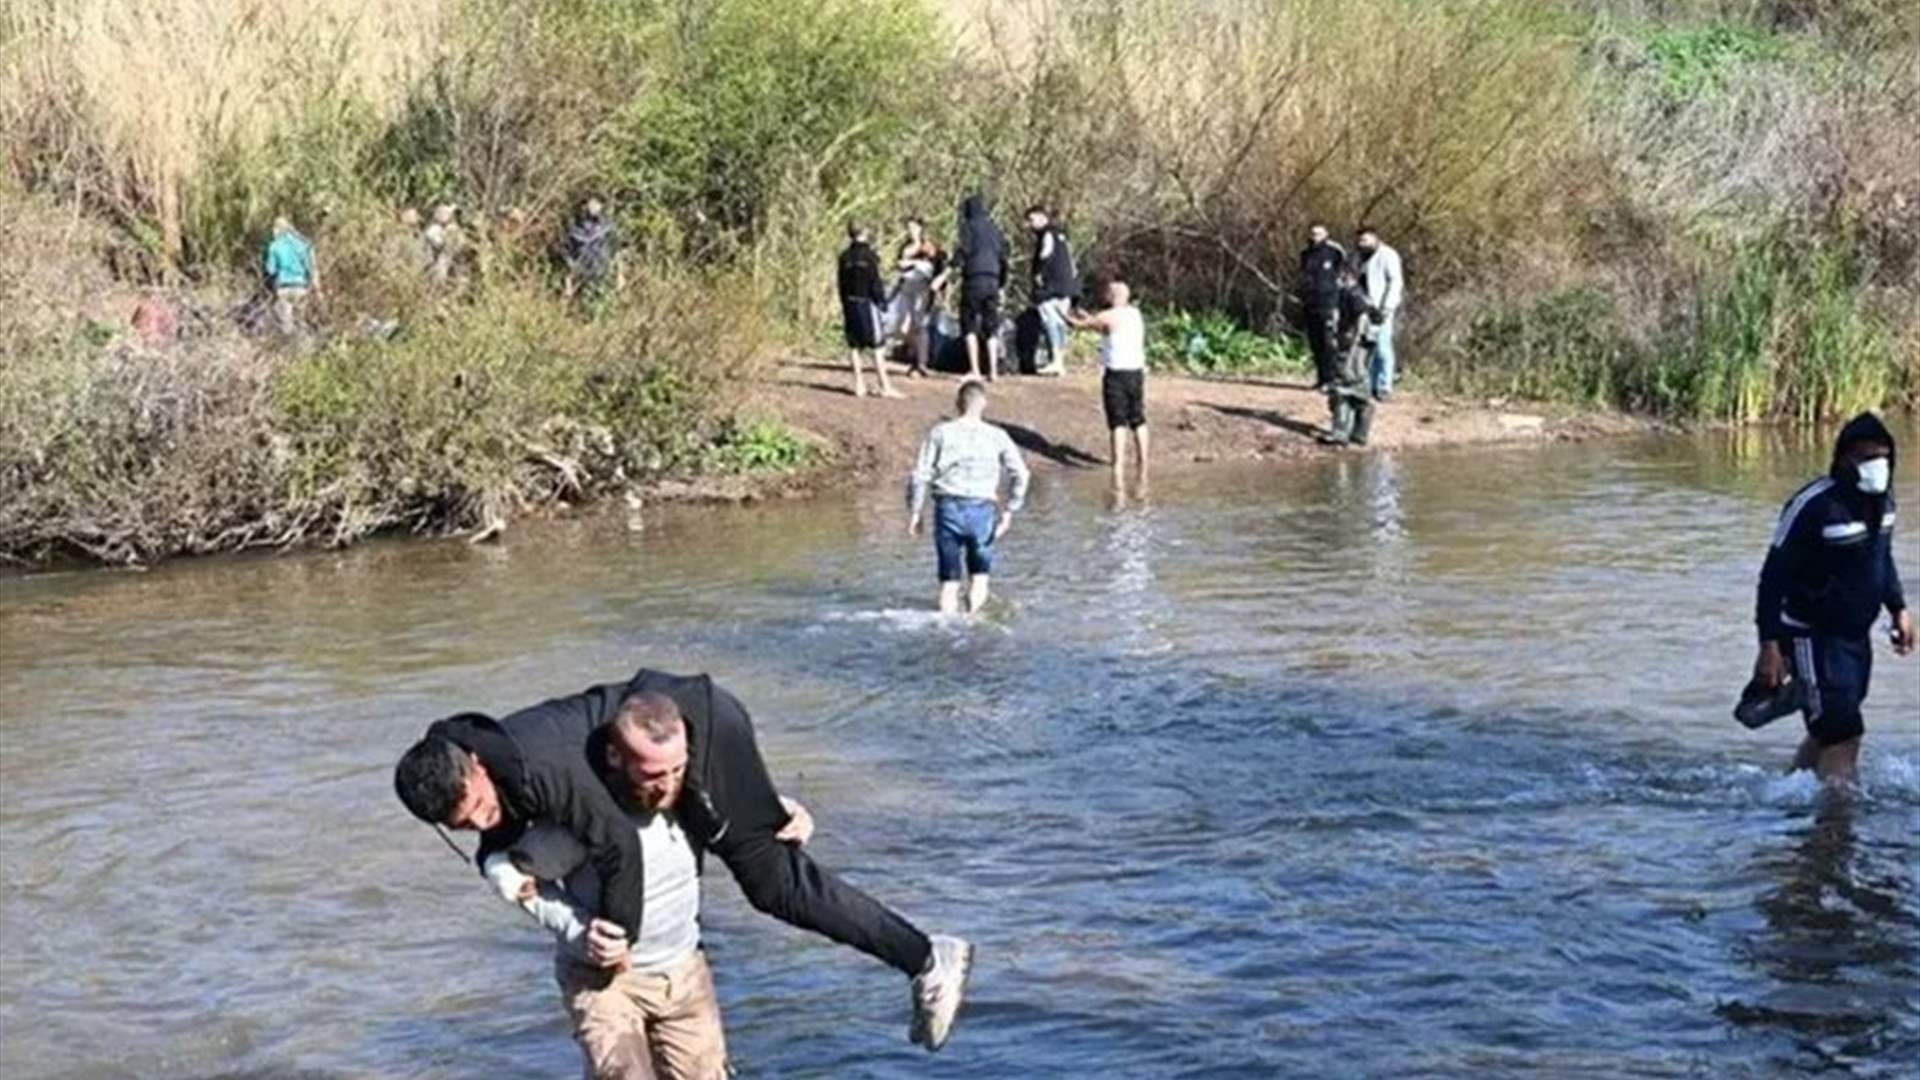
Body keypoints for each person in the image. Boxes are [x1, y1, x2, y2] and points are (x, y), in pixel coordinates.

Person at [393, 671, 975, 1071]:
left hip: (700, 721)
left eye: (481, 806)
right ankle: (768, 821)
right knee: (758, 846)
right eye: (464, 822)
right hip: (654, 737)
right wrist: (763, 811)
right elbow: (505, 839)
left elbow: (620, 848)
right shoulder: (465, 770)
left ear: (477, 766)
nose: (482, 819)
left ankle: (926, 958)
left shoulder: (542, 768)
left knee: (773, 886)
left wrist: (618, 938)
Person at [1750, 412, 1911, 785]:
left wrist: (1898, 607)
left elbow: (1881, 560)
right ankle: (1836, 830)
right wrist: (1769, 644)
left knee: (1830, 730)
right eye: (1866, 457)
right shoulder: (1814, 504)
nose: (1877, 466)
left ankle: (1787, 796)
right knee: (1844, 734)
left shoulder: (1884, 504)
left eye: (1883, 457)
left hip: (1855, 638)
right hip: (1812, 635)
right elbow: (1773, 578)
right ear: (1843, 459)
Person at [907, 380, 1031, 613]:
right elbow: (1021, 474)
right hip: (982, 510)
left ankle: (946, 629)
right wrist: (1010, 510)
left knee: (949, 582)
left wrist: (915, 512)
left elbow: (919, 475)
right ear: (983, 404)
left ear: (957, 404)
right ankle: (973, 628)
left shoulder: (940, 432)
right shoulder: (997, 435)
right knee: (980, 577)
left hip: (948, 508)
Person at [1068, 279, 1150, 496]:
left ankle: (1118, 467)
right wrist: (1089, 318)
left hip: (1116, 374)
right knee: (1138, 418)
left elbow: (1081, 325)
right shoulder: (1135, 314)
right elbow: (1102, 326)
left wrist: (1063, 313)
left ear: (1113, 297)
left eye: (1108, 293)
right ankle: (1143, 463)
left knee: (1117, 421)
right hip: (1136, 372)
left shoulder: (1109, 316)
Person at [837, 223, 900, 399]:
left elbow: (840, 284)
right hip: (867, 304)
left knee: (854, 345)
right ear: (865, 232)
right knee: (877, 346)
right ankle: (885, 385)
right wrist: (882, 302)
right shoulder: (870, 257)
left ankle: (859, 385)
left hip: (849, 303)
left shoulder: (844, 257)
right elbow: (875, 282)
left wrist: (843, 303)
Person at [1319, 270, 1381, 447]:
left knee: (1341, 388)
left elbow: (1363, 320)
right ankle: (1360, 433)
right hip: (1363, 345)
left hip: (1352, 344)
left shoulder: (1351, 295)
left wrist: (1351, 342)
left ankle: (1340, 434)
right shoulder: (1362, 295)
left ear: (1345, 276)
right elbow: (1376, 318)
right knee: (1360, 387)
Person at [953, 194, 1009, 381]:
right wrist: (1001, 283)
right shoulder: (996, 230)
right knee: (991, 326)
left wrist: (951, 268)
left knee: (969, 325)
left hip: (973, 280)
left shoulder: (968, 228)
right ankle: (993, 371)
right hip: (993, 280)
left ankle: (975, 370)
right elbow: (1003, 259)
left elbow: (963, 252)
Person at [889, 216, 949, 377]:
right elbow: (899, 266)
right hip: (906, 288)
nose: (910, 231)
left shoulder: (928, 247)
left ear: (921, 229)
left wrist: (914, 264)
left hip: (922, 289)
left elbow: (936, 267)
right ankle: (914, 356)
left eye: (914, 227)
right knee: (902, 326)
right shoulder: (905, 247)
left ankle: (920, 363)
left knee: (919, 324)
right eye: (908, 228)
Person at [1025, 206, 1080, 376]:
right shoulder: (1061, 235)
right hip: (1067, 286)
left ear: (1042, 218)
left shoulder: (1047, 235)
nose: (1029, 225)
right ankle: (1059, 360)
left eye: (1031, 220)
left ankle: (1056, 360)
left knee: (1050, 321)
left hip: (1051, 287)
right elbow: (1071, 263)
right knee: (1061, 322)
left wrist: (1038, 276)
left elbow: (1045, 256)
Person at [1355, 226, 1404, 400]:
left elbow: (1395, 282)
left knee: (1383, 348)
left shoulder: (1388, 255)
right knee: (1369, 349)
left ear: (1375, 238)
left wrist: (1386, 308)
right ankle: (1371, 384)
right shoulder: (1361, 258)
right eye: (1360, 240)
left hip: (1381, 309)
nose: (1362, 243)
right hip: (1364, 310)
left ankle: (1384, 386)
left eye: (1365, 240)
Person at [1296, 224, 1345, 390]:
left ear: (1326, 234)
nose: (1315, 237)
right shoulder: (1305, 254)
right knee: (1315, 342)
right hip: (1310, 303)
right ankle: (1321, 378)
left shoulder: (1334, 252)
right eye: (1312, 234)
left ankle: (1332, 379)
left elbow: (1343, 275)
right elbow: (1303, 276)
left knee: (1328, 342)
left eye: (1318, 234)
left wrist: (1338, 301)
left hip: (1329, 302)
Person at [263, 215, 318, 338]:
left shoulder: (274, 246)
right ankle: (305, 348)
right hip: (301, 287)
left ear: (277, 229)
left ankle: (289, 349)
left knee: (286, 323)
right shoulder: (302, 245)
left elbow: (270, 270)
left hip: (284, 287)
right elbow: (310, 267)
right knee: (301, 321)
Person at [565, 197, 623, 302]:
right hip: (583, 277)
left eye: (596, 204)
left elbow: (617, 251)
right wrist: (568, 283)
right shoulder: (575, 230)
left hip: (605, 275)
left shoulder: (608, 228)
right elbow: (569, 257)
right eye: (590, 204)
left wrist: (620, 275)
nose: (593, 207)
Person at [423, 202, 463, 287]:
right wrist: (448, 235)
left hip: (446, 265)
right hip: (434, 266)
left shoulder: (445, 229)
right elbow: (440, 245)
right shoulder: (433, 230)